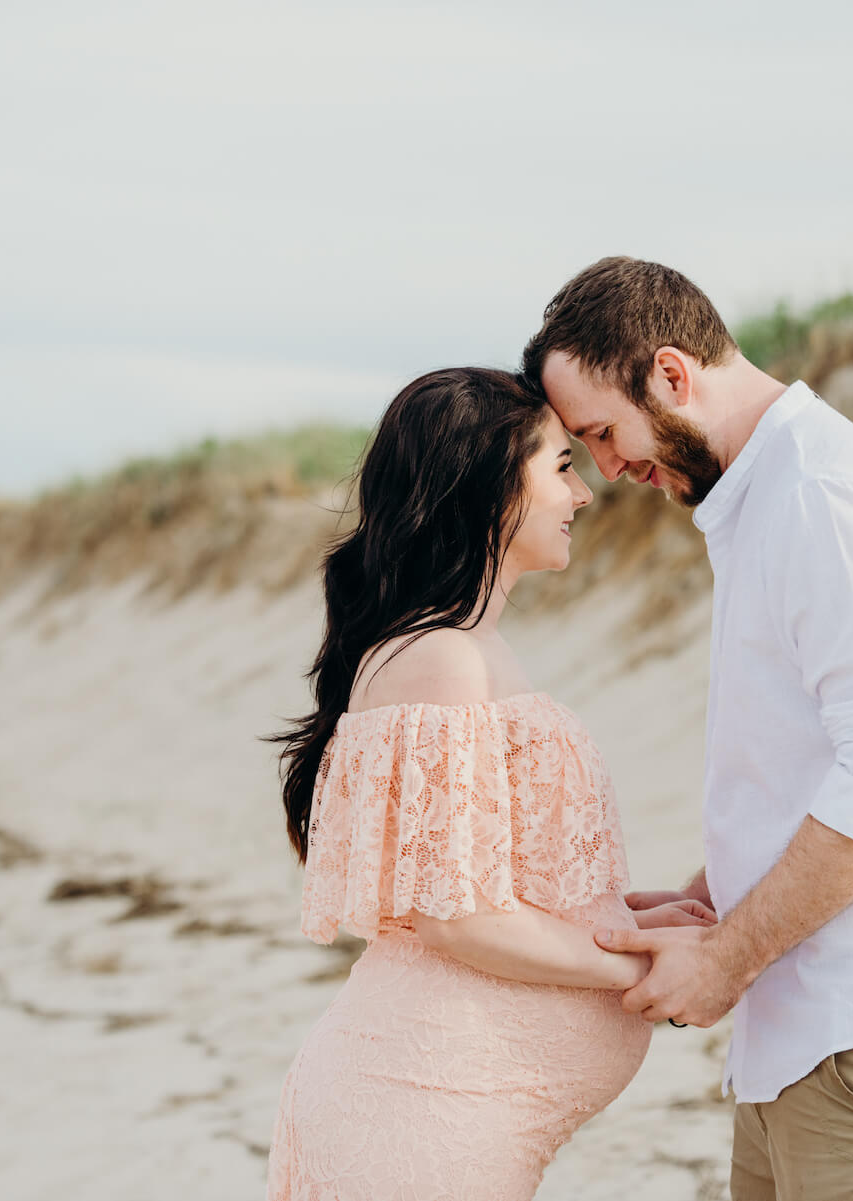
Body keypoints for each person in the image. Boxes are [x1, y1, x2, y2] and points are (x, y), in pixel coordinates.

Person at [522, 257, 853, 1201]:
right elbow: (829, 761)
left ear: (673, 374)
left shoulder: (819, 491)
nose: (607, 468)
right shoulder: (768, 498)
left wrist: (729, 958)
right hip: (815, 1046)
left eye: (603, 431)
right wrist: (711, 894)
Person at [263, 366, 717, 1201]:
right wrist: (649, 968)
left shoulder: (469, 648)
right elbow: (458, 918)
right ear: (490, 489)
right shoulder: (441, 660)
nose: (584, 492)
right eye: (559, 467)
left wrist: (640, 915)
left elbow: (504, 884)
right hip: (419, 1115)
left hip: (453, 1116)